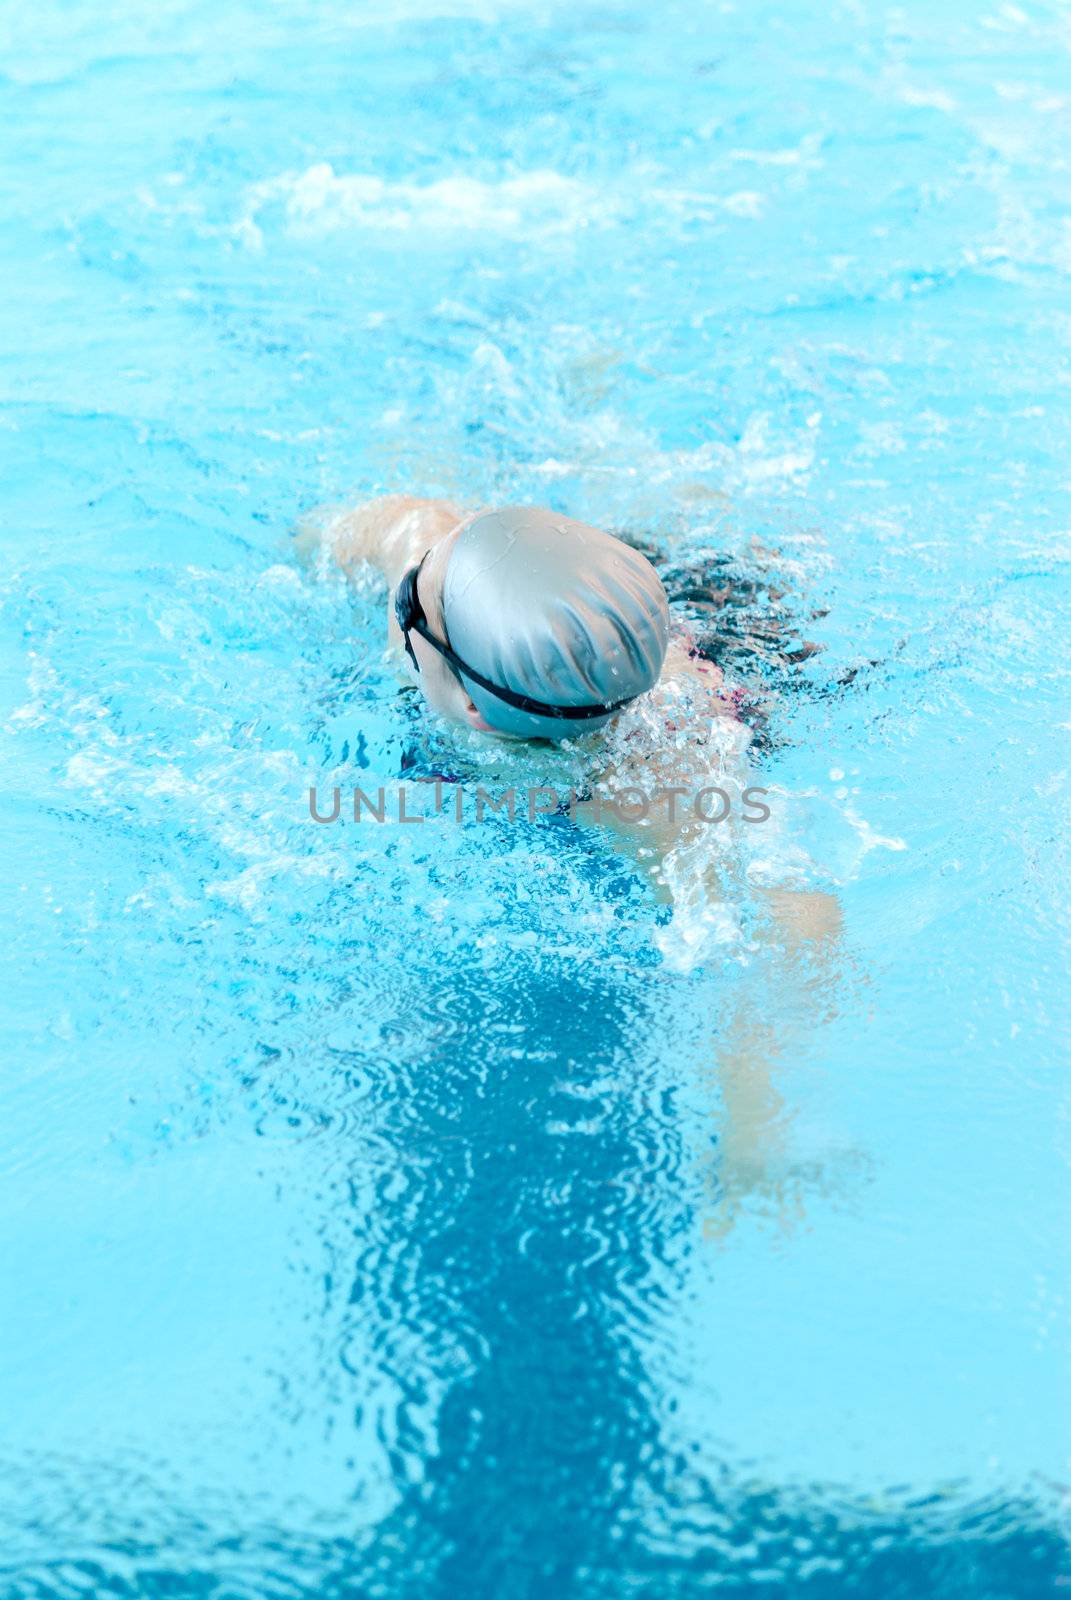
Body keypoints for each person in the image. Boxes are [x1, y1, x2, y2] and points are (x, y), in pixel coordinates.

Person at [304, 492, 850, 1229]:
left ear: (471, 707)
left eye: (408, 603)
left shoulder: (649, 786)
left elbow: (794, 917)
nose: (404, 593)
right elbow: (346, 530)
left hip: (706, 612)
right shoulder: (434, 549)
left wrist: (755, 1126)